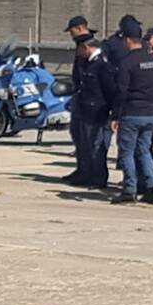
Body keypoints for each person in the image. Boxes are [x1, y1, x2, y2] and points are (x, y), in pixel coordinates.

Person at [110, 19, 153, 204]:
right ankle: (152, 187)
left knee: (126, 152)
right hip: (150, 112)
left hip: (132, 112)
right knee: (144, 150)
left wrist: (115, 115)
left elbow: (121, 90)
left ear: (127, 40)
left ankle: (130, 189)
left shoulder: (127, 62)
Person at [72, 34, 117, 189]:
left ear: (86, 48)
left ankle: (99, 179)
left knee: (97, 146)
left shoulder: (102, 64)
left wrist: (113, 113)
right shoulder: (87, 63)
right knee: (87, 146)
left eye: (80, 49)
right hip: (87, 111)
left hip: (98, 112)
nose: (78, 53)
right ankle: (89, 175)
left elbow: (110, 90)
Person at [63, 16, 98, 183]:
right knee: (77, 134)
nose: (71, 35)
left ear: (78, 28)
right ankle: (82, 169)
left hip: (88, 97)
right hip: (79, 94)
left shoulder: (88, 42)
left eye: (71, 31)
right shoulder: (81, 43)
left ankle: (89, 172)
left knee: (87, 138)